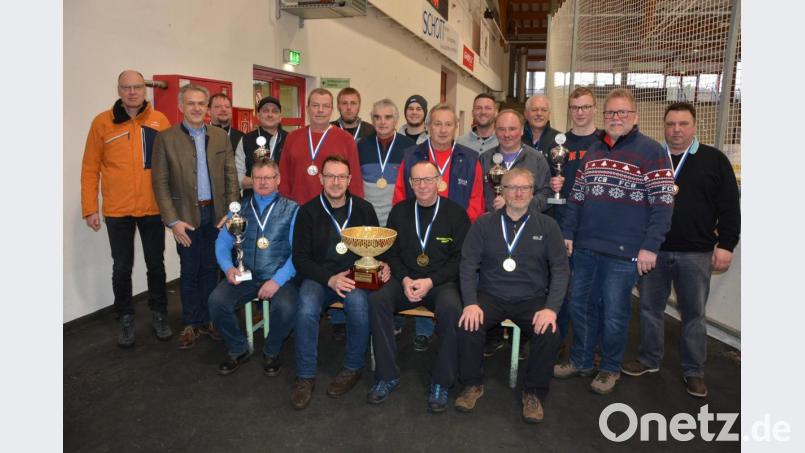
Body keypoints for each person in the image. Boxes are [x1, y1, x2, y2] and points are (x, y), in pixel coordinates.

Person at [554, 88, 674, 395]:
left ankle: (609, 368)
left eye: (622, 113)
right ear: (603, 117)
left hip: (624, 253)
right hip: (585, 248)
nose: (615, 118)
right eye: (610, 113)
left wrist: (650, 246)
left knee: (615, 312)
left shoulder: (652, 152)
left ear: (634, 117)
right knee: (580, 305)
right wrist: (568, 232)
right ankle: (581, 360)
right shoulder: (594, 150)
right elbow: (577, 197)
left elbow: (663, 204)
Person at [620, 102, 740, 398]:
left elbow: (728, 206)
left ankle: (693, 371)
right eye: (671, 123)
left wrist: (726, 244)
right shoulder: (651, 157)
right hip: (653, 250)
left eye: (683, 124)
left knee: (693, 314)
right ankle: (649, 359)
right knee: (649, 308)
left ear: (694, 126)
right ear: (664, 125)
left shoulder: (714, 160)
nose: (676, 130)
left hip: (696, 252)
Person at [456, 168, 569, 424]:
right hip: (491, 295)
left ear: (532, 192)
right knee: (467, 324)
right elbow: (467, 264)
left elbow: (561, 269)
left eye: (525, 188)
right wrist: (471, 303)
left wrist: (551, 308)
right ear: (502, 191)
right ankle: (472, 384)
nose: (518, 193)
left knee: (550, 333)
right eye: (512, 187)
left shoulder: (548, 226)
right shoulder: (484, 223)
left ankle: (533, 392)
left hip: (531, 298)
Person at [367, 161, 470, 413]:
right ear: (410, 184)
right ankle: (387, 375)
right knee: (377, 299)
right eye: (417, 181)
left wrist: (430, 281)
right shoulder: (399, 212)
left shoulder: (456, 214)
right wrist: (403, 280)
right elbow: (390, 254)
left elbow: (461, 259)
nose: (422, 186)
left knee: (452, 308)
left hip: (439, 283)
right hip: (405, 280)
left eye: (428, 179)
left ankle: (441, 381)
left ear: (439, 180)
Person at [81, 69, 172, 348]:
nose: (132, 92)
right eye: (126, 87)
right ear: (118, 90)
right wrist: (89, 208)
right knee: (122, 267)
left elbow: (170, 164)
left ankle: (159, 314)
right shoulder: (102, 123)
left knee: (156, 264)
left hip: (152, 207)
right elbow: (89, 167)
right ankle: (125, 317)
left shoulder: (160, 121)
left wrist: (173, 205)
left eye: (136, 87)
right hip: (117, 210)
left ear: (144, 90)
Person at [290, 155, 389, 410]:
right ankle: (305, 375)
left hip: (354, 276)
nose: (336, 181)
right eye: (330, 176)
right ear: (321, 179)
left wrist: (382, 265)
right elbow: (300, 258)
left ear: (350, 180)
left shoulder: (364, 209)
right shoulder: (307, 212)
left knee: (358, 305)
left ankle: (353, 368)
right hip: (319, 277)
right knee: (306, 307)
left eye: (341, 176)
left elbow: (376, 248)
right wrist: (329, 279)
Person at [152, 84, 240, 349]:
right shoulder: (165, 139)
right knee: (190, 269)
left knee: (213, 268)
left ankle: (211, 320)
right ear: (181, 106)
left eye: (202, 103)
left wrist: (231, 210)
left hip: (217, 215)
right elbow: (160, 182)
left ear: (207, 107)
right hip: (185, 217)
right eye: (191, 103)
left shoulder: (219, 136)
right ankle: (192, 322)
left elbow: (230, 176)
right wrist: (173, 221)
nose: (197, 108)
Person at [392, 103, 486, 349]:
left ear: (456, 127)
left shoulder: (470, 158)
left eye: (448, 124)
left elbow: (477, 200)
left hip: (455, 236)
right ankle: (423, 330)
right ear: (428, 127)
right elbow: (400, 195)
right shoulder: (412, 155)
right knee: (418, 268)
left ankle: (443, 333)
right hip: (417, 231)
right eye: (437, 123)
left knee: (447, 286)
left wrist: (461, 230)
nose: (443, 130)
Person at [208, 159, 299, 376]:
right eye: (258, 178)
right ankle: (239, 348)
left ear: (278, 179)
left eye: (268, 177)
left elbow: (299, 254)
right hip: (246, 274)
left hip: (281, 276)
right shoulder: (238, 210)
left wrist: (276, 281)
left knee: (286, 308)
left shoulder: (293, 209)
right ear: (252, 180)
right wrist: (229, 268)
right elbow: (222, 243)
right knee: (216, 302)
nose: (263, 182)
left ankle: (271, 350)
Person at [476, 109, 552, 357]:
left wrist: (518, 204)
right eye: (501, 129)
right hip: (494, 232)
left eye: (512, 129)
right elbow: (478, 195)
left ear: (522, 130)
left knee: (522, 283)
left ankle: (526, 336)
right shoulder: (485, 158)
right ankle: (493, 335)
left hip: (526, 231)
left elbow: (545, 195)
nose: (507, 134)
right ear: (494, 131)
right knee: (492, 282)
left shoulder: (537, 159)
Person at [549, 87, 601, 348]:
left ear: (594, 109)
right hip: (562, 223)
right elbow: (548, 184)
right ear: (569, 110)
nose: (580, 112)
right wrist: (553, 183)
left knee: (592, 293)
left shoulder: (605, 142)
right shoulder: (559, 144)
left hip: (594, 227)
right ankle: (557, 344)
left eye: (585, 107)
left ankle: (591, 347)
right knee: (562, 289)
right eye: (575, 107)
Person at [279, 88, 364, 205]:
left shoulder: (346, 139)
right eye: (315, 105)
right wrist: (285, 206)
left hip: (333, 209)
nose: (320, 110)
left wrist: (354, 209)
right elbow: (284, 177)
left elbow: (355, 181)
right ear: (307, 108)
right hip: (297, 208)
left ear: (332, 110)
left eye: (326, 106)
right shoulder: (292, 137)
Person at [357, 98, 415, 226]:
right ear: (372, 120)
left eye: (388, 117)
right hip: (367, 219)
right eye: (377, 117)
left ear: (396, 120)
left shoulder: (409, 147)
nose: (382, 122)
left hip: (399, 219)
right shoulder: (362, 146)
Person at [235, 96, 287, 198]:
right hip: (252, 202)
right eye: (265, 111)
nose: (270, 114)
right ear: (258, 115)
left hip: (283, 201)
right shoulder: (246, 140)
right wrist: (262, 182)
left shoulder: (290, 139)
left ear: (280, 117)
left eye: (275, 111)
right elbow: (237, 176)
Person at [522, 94, 560, 158]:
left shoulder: (558, 139)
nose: (539, 113)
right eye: (534, 110)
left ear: (549, 114)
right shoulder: (515, 137)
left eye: (544, 110)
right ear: (525, 113)